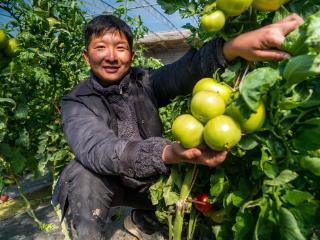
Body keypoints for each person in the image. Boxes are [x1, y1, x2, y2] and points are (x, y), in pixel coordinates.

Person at [52, 14, 303, 240]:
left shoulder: (143, 83)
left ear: (131, 55)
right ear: (87, 56)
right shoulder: (77, 103)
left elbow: (183, 72)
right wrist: (166, 153)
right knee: (80, 174)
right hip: (114, 184)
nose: (111, 56)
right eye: (100, 48)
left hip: (155, 185)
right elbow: (100, 149)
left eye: (120, 48)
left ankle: (146, 219)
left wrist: (231, 48)